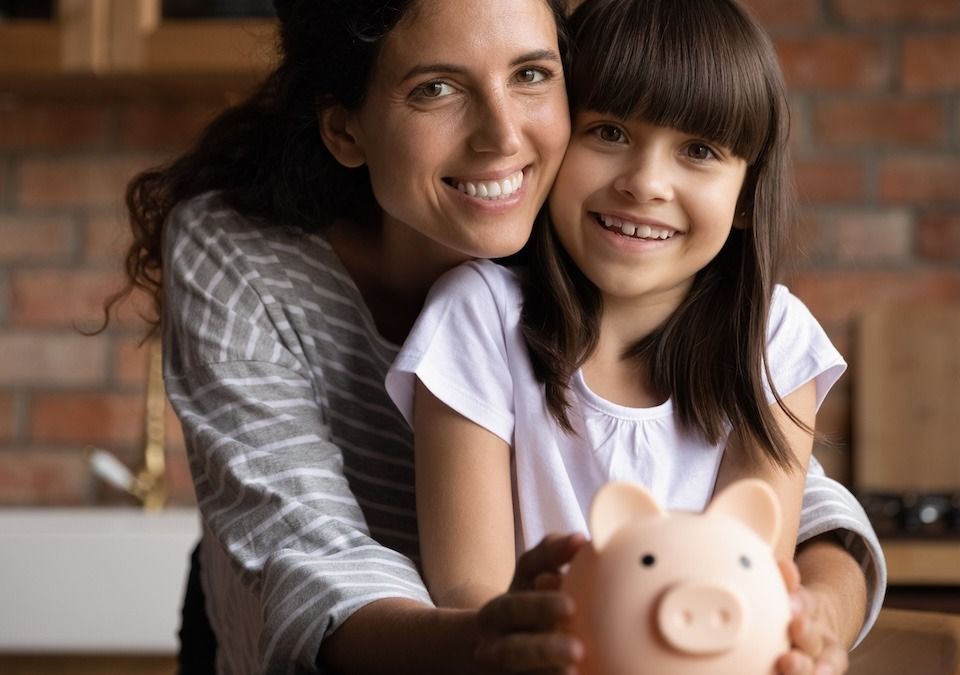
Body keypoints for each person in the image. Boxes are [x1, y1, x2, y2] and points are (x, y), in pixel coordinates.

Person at [108, 0, 882, 673]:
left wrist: (815, 610)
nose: (503, 139)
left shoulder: (601, 238)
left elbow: (756, 488)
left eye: (533, 75)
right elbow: (311, 552)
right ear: (346, 125)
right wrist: (503, 636)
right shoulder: (251, 258)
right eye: (436, 88)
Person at [385, 0, 885, 673]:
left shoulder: (775, 340)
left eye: (699, 151)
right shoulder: (476, 318)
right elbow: (473, 592)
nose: (645, 183)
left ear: (745, 198)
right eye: (610, 132)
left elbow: (748, 571)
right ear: (558, 140)